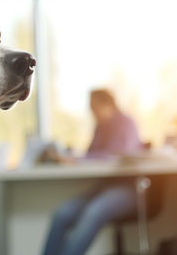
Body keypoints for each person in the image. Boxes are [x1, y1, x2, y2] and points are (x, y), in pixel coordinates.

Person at [42, 89, 143, 255]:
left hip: (130, 187)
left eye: (94, 107)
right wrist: (72, 156)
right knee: (62, 213)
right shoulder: (100, 127)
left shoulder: (127, 124)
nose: (92, 112)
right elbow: (91, 155)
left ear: (107, 104)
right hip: (104, 186)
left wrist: (76, 160)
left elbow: (114, 157)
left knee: (93, 211)